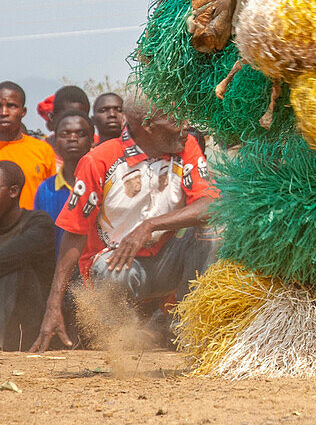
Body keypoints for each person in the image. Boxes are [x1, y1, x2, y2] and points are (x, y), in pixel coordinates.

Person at [31, 93, 219, 351]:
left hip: (166, 259)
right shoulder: (98, 160)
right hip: (118, 266)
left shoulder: (186, 147)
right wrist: (53, 305)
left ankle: (188, 330)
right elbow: (74, 232)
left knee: (212, 232)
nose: (186, 125)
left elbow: (210, 206)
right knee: (110, 270)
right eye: (176, 119)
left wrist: (150, 225)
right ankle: (119, 340)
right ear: (149, 126)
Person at [0, 160, 56, 350]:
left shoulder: (38, 223)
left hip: (30, 327)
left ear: (13, 191)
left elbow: (7, 258)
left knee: (12, 271)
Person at [33, 113, 94, 252]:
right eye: (65, 134)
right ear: (54, 141)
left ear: (92, 141)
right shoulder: (45, 189)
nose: (72, 139)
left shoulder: (102, 184)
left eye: (80, 133)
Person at [0, 82, 56, 209]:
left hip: (34, 227)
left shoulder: (42, 150)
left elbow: (51, 197)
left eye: (11, 106)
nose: (4, 112)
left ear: (23, 111)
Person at [44, 86, 91, 158]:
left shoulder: (98, 155)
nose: (74, 124)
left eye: (79, 118)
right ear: (52, 118)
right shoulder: (37, 154)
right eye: (67, 118)